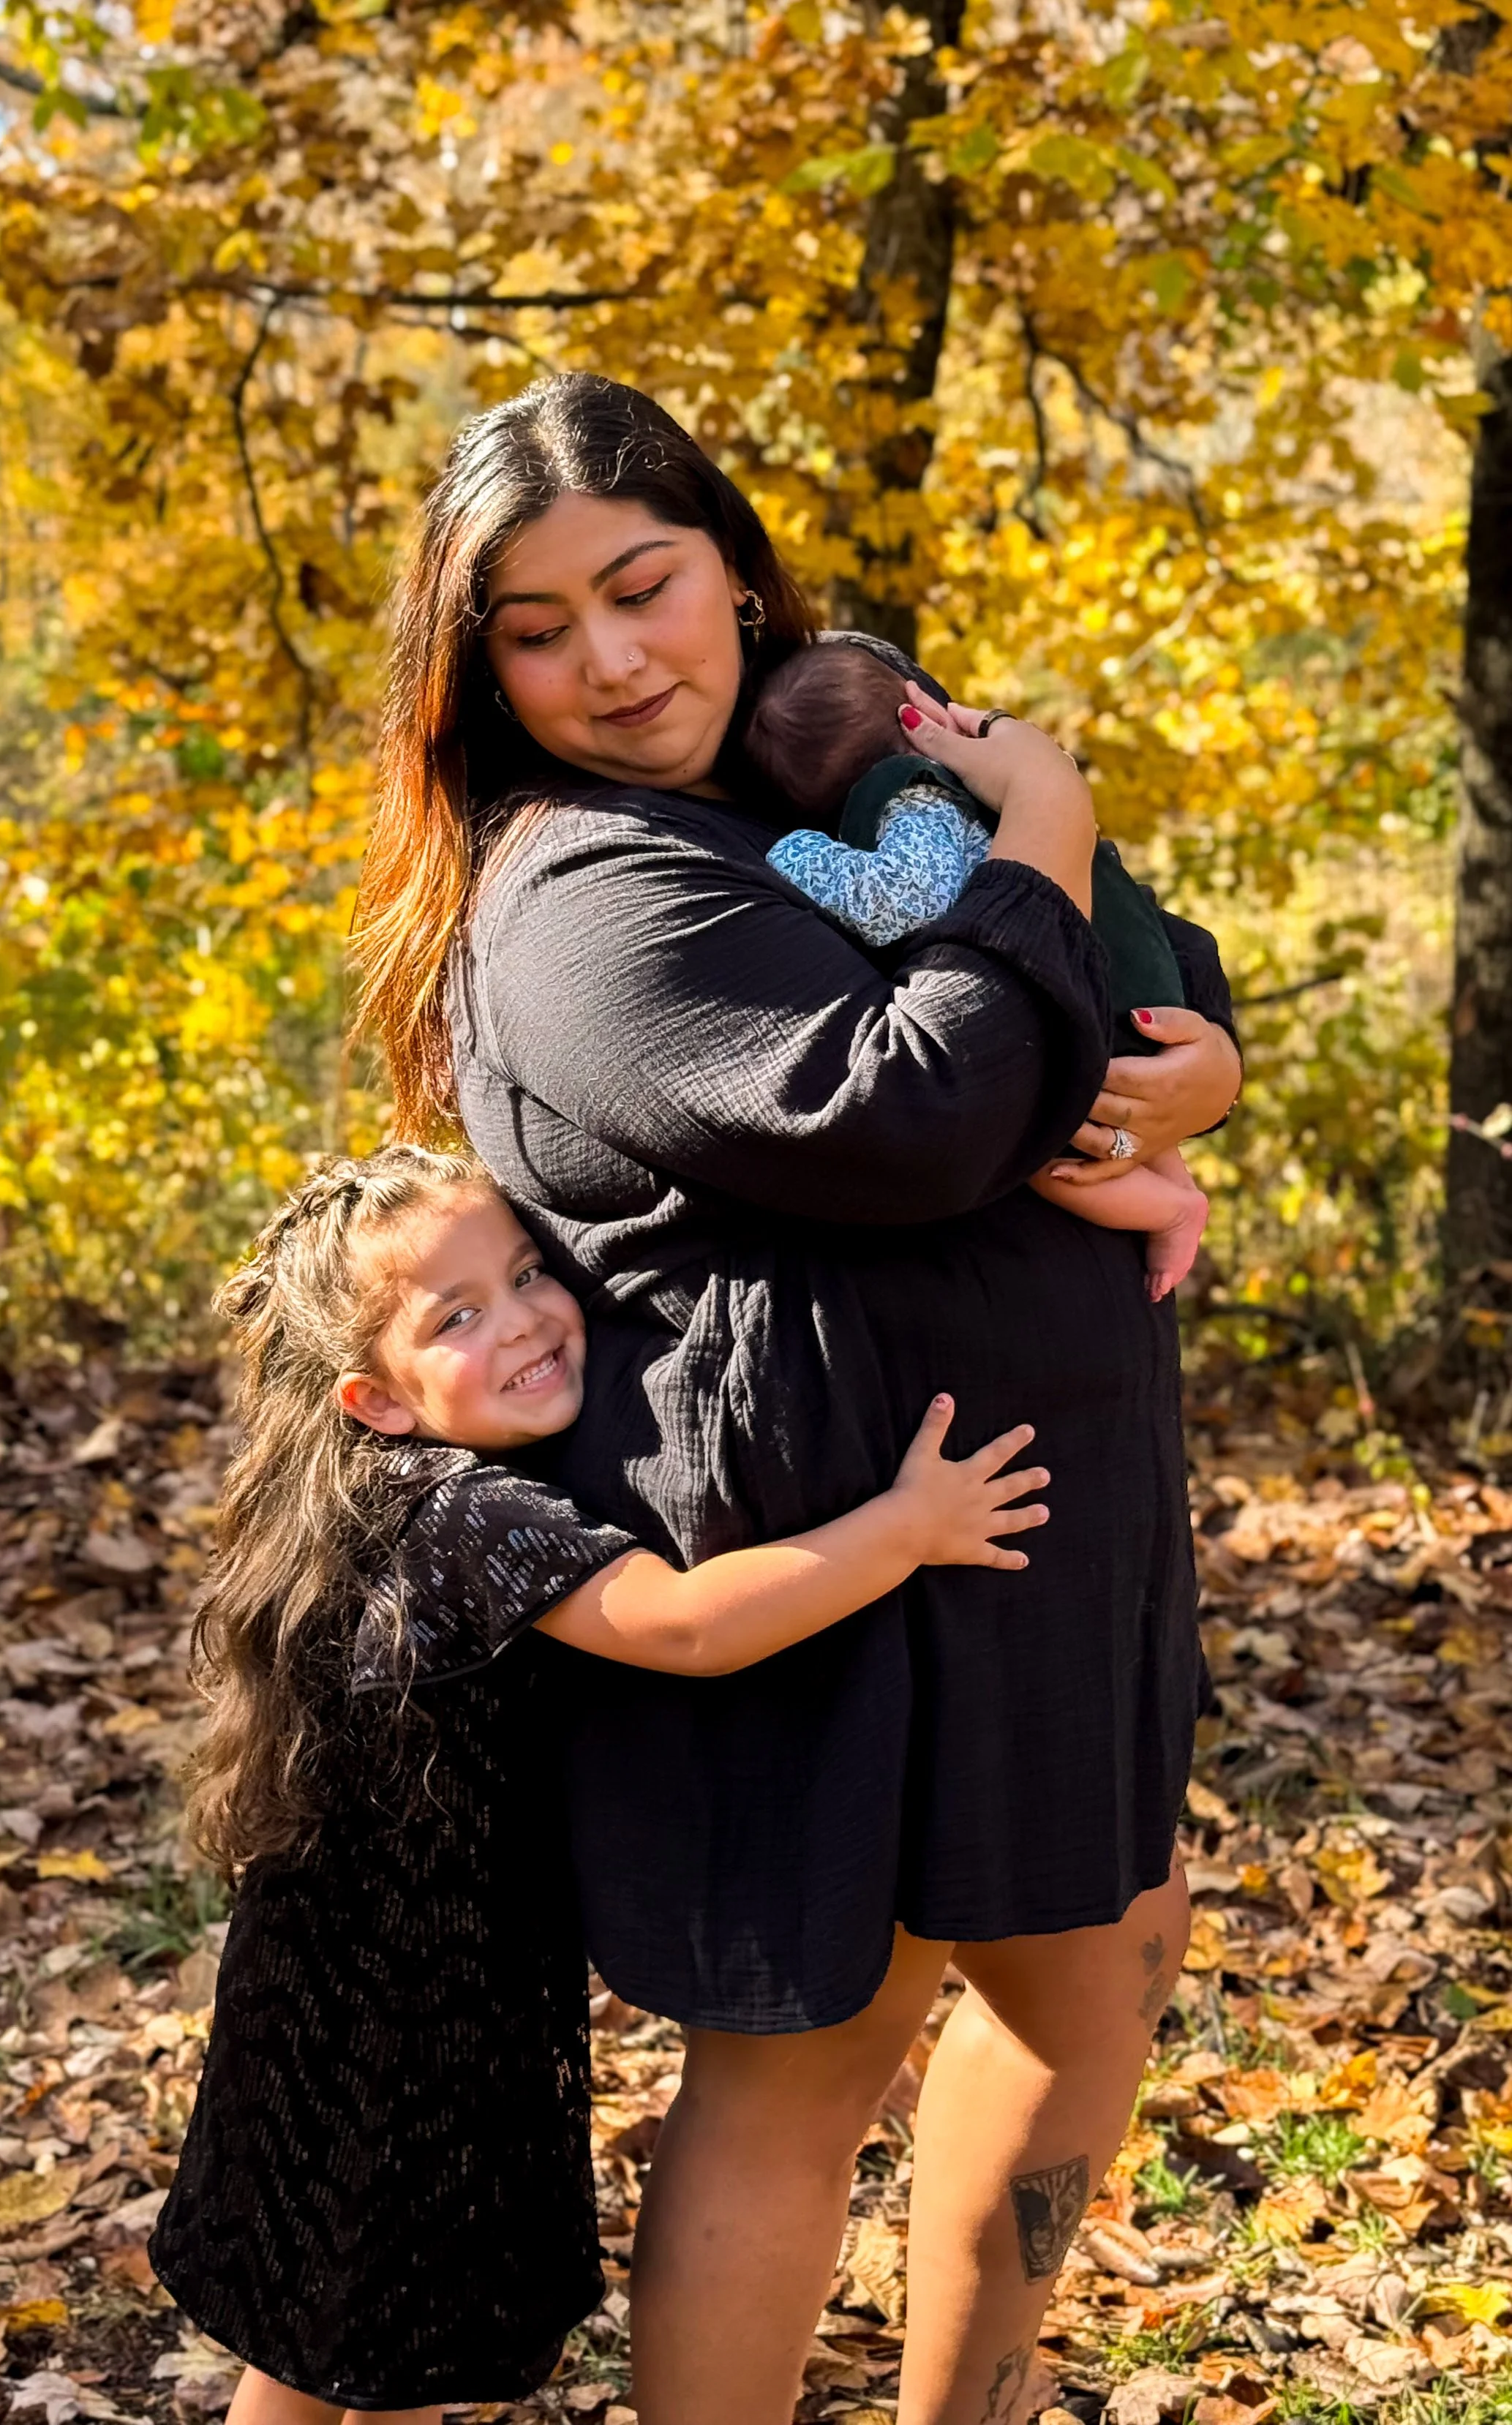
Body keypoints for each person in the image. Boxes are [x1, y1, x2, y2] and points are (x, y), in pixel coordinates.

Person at [353, 371, 1242, 2425]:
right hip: (806, 1551)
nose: (610, 658)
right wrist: (1052, 820)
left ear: (734, 577)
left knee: (1094, 1954)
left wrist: (1199, 1067)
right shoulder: (584, 892)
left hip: (1027, 1530)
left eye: (643, 585)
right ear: (476, 671)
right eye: (537, 626)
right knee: (804, 2052)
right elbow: (906, 1114)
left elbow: (1129, 972)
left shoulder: (817, 774)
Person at [147, 1143, 1048, 2425]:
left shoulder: (367, 1493)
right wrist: (903, 1529)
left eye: (524, 1273)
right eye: (456, 1317)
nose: (520, 1320)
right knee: (393, 2331)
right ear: (379, 1399)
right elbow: (685, 1624)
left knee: (312, 2326)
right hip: (426, 2013)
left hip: (317, 1976)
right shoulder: (474, 1519)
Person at [743, 638, 1208, 1300]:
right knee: (1129, 1110)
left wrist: (797, 854)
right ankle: (1177, 1181)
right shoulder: (977, 782)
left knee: (1041, 1158)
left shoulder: (907, 802)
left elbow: (900, 900)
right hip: (1128, 979)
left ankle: (1169, 1208)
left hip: (1071, 995)